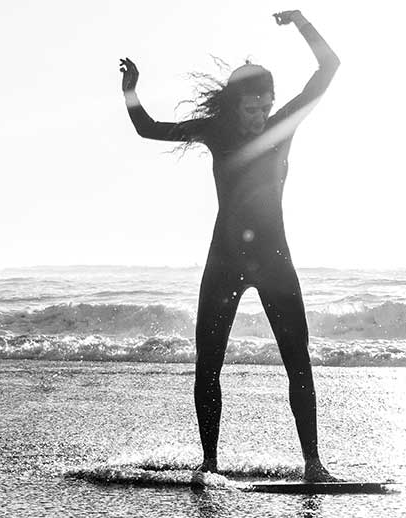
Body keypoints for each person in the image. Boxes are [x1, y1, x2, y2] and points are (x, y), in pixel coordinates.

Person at [121, 10, 339, 481]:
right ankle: (209, 464)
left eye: (266, 106)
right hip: (225, 261)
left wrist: (301, 21)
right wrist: (130, 90)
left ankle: (313, 464)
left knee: (298, 362)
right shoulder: (215, 135)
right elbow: (148, 128)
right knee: (209, 365)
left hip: (274, 261)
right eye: (251, 108)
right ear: (233, 106)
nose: (260, 116)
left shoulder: (283, 126)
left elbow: (329, 68)